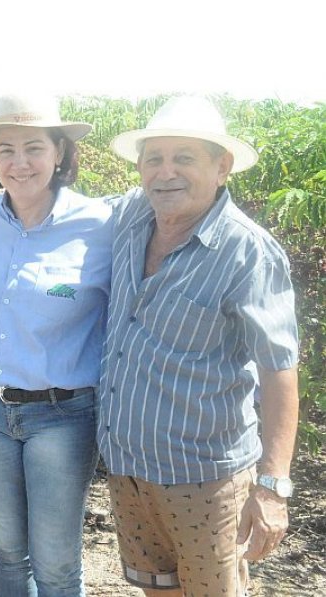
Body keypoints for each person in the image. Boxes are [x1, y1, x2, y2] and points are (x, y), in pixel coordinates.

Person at [99, 96, 299, 596]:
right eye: (154, 159)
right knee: (156, 589)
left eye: (184, 158)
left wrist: (273, 487)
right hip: (128, 471)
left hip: (204, 481)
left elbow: (280, 370)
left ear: (221, 166)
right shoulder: (129, 218)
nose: (166, 173)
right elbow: (58, 214)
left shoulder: (246, 252)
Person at [0, 94, 112, 596]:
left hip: (62, 416)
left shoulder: (101, 226)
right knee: (6, 551)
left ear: (60, 153)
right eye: (6, 150)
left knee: (55, 562)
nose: (19, 162)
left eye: (34, 148)